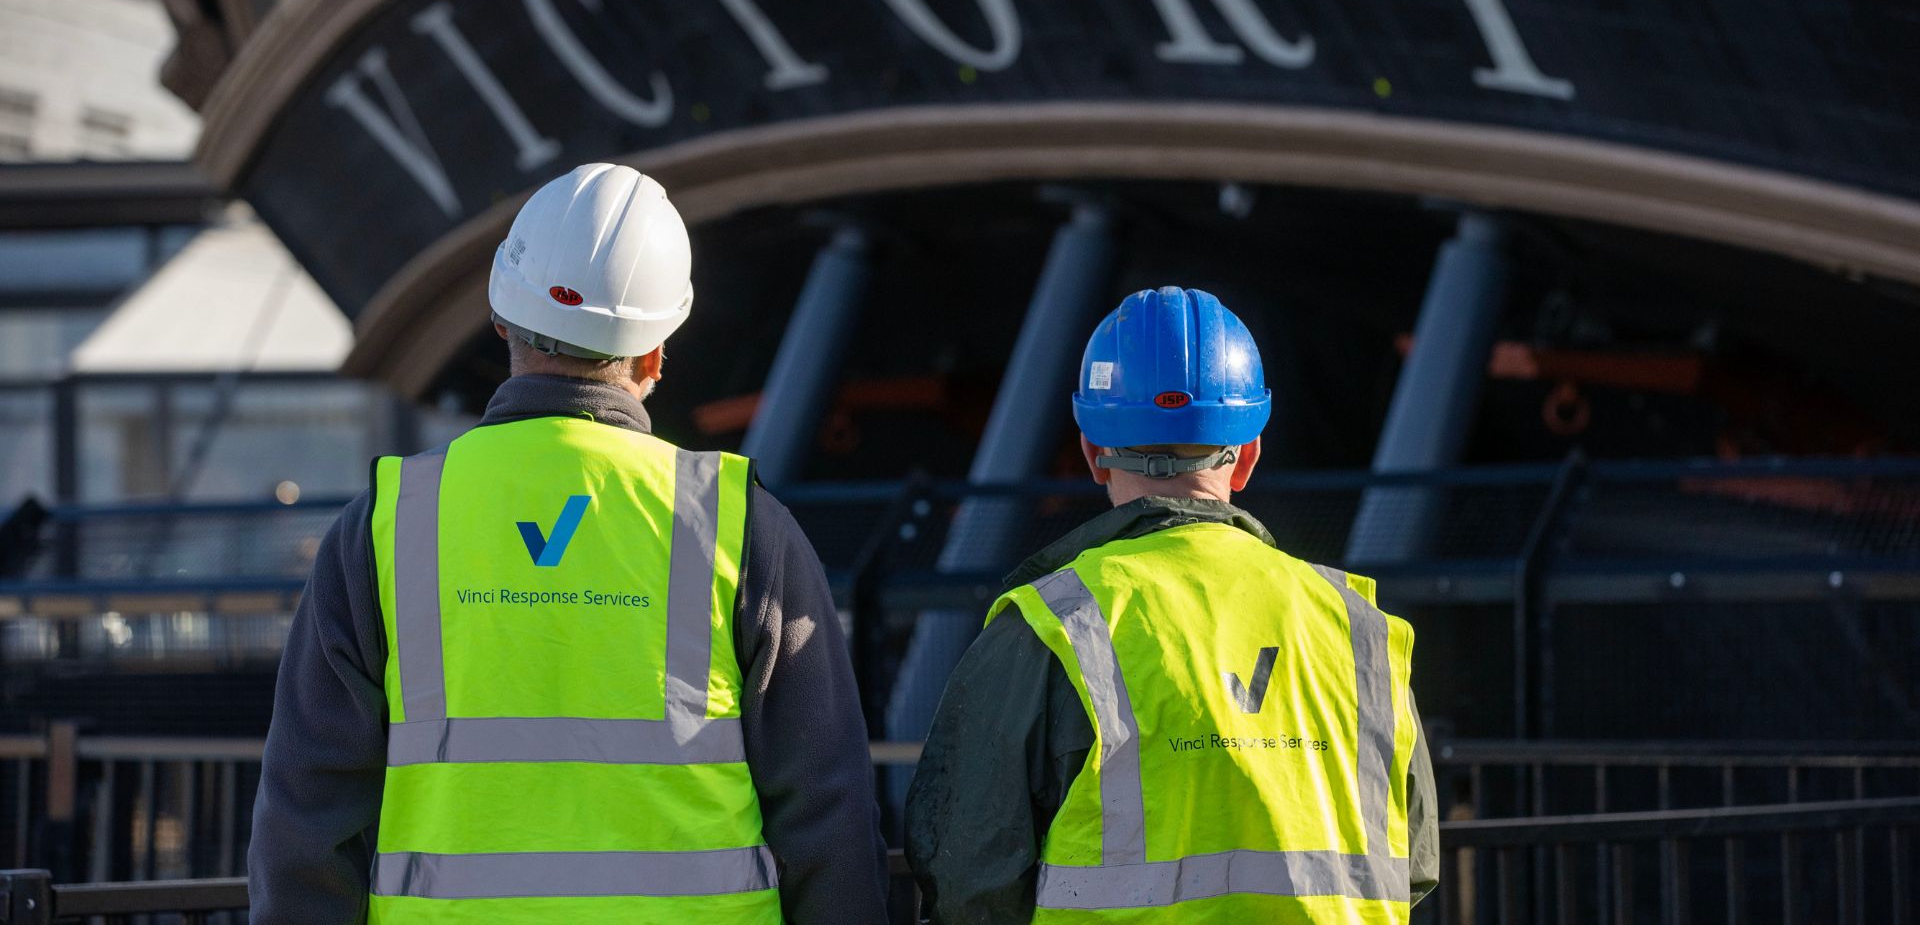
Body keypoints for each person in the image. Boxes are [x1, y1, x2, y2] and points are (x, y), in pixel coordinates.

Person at [249, 163, 889, 923]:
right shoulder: (739, 525)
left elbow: (307, 824)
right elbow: (828, 816)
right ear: (654, 357)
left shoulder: (386, 524)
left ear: (500, 323)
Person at [906, 286, 1437, 923]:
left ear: (1092, 454)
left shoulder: (1054, 626)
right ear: (1247, 456)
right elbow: (1415, 863)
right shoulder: (1356, 627)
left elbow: (969, 878)